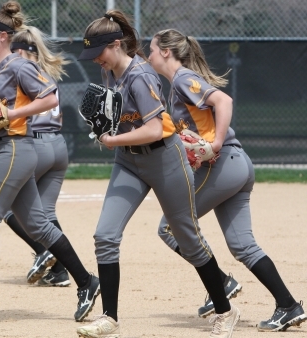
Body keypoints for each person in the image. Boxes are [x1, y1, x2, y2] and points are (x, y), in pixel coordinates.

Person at [75, 11, 240, 338]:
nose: (96, 60)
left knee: (188, 240)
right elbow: (122, 119)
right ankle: (110, 319)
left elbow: (153, 129)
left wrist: (113, 139)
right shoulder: (113, 74)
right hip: (128, 162)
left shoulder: (141, 76)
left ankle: (225, 310)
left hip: (165, 159)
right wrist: (105, 128)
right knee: (105, 235)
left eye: (100, 53)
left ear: (117, 44)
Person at [0, 0, 100, 323]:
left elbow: (51, 97)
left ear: (1, 35)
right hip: (0, 148)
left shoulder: (18, 65)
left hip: (15, 148)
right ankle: (86, 281)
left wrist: (12, 114)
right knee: (38, 225)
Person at [149, 28, 306, 332]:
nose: (149, 54)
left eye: (152, 49)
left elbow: (224, 100)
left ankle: (220, 282)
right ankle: (288, 305)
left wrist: (216, 142)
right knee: (242, 245)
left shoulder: (182, 78)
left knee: (169, 227)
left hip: (222, 163)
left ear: (166, 52)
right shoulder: (175, 85)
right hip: (237, 165)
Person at [5, 26, 72, 287]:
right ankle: (61, 272)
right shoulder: (46, 74)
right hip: (59, 146)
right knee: (45, 212)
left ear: (20, 52)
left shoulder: (21, 74)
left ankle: (47, 254)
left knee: (9, 208)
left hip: (36, 146)